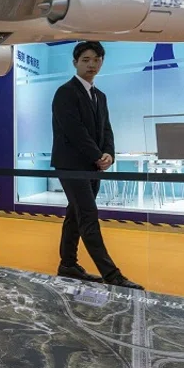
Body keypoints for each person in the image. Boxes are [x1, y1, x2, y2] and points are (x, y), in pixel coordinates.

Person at [51, 41, 143, 290]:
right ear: (75, 63)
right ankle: (112, 275)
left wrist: (109, 154)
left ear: (102, 61)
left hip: (92, 166)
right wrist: (96, 155)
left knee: (75, 215)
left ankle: (68, 264)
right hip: (71, 166)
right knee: (88, 216)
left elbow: (106, 129)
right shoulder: (65, 92)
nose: (91, 64)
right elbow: (74, 131)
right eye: (85, 60)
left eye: (96, 59)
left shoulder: (99, 96)